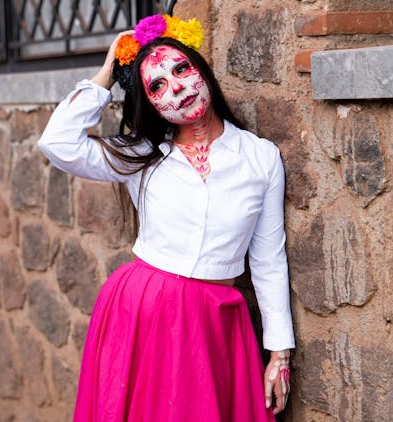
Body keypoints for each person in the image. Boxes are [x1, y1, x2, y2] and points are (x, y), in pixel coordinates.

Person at [37, 14, 295, 421]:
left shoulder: (260, 158)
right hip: (142, 313)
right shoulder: (142, 155)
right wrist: (108, 71)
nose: (176, 86)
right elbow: (57, 143)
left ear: (202, 70)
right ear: (151, 102)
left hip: (215, 324)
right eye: (157, 85)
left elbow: (268, 260)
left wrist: (279, 353)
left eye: (181, 69)